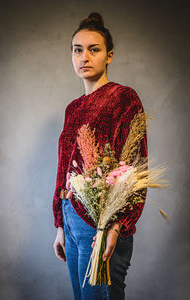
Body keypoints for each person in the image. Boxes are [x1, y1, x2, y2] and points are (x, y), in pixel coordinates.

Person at [53, 12, 147, 300]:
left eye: (94, 49)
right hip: (71, 219)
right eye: (77, 50)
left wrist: (118, 224)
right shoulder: (73, 108)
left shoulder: (123, 97)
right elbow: (64, 168)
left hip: (101, 221)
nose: (84, 57)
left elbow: (136, 166)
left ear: (109, 55)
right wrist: (59, 224)